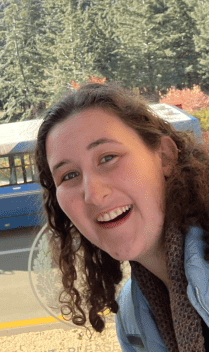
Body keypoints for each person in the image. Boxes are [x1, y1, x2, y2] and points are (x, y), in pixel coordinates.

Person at [35, 82, 209, 352]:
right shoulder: (132, 320)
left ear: (164, 156)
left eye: (107, 158)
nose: (92, 194)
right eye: (69, 175)